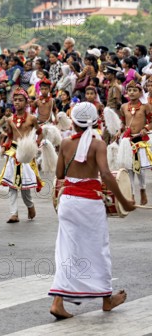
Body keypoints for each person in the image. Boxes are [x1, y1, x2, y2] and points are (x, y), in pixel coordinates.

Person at [49, 102, 136, 319]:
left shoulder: (66, 142)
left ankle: (58, 302)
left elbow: (59, 174)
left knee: (66, 252)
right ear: (94, 122)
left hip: (67, 202)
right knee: (98, 250)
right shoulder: (98, 145)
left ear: (74, 121)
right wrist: (124, 201)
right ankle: (106, 300)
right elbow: (106, 175)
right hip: (89, 204)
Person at [0, 88, 43, 223]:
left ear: (26, 102)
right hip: (14, 154)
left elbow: (40, 132)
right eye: (15, 100)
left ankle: (30, 205)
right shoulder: (10, 120)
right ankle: (14, 213)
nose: (17, 102)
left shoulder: (32, 119)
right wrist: (5, 145)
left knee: (24, 187)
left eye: (20, 100)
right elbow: (10, 136)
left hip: (27, 155)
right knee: (12, 185)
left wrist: (35, 143)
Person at [119, 81, 152, 206]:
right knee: (129, 168)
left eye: (134, 90)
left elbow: (151, 122)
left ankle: (142, 189)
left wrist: (146, 129)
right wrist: (119, 130)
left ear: (140, 92)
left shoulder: (145, 106)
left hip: (139, 139)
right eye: (129, 90)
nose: (132, 93)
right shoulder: (123, 107)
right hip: (127, 140)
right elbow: (123, 122)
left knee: (139, 168)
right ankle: (131, 194)